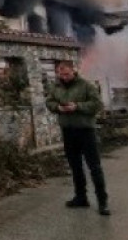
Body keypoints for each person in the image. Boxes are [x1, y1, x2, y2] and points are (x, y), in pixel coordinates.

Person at [46, 60, 110, 216]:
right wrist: (58, 107)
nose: (64, 77)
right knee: (75, 166)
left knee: (94, 166)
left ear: (73, 71)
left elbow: (97, 104)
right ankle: (81, 197)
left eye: (67, 74)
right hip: (68, 131)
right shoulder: (56, 86)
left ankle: (102, 202)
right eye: (61, 74)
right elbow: (49, 101)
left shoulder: (86, 85)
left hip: (86, 130)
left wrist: (77, 106)